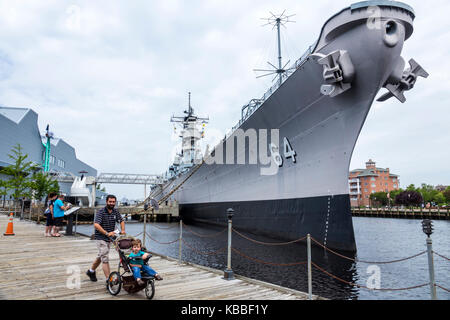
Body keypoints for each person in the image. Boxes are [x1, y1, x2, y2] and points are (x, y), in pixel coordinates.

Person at [86, 195, 125, 285]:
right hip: (101, 237)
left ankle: (91, 271)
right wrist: (107, 233)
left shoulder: (115, 211)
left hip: (110, 238)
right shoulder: (101, 212)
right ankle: (109, 280)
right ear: (106, 202)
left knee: (101, 255)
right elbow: (96, 225)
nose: (111, 203)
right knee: (105, 258)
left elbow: (121, 220)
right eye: (110, 201)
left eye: (113, 202)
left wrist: (122, 230)